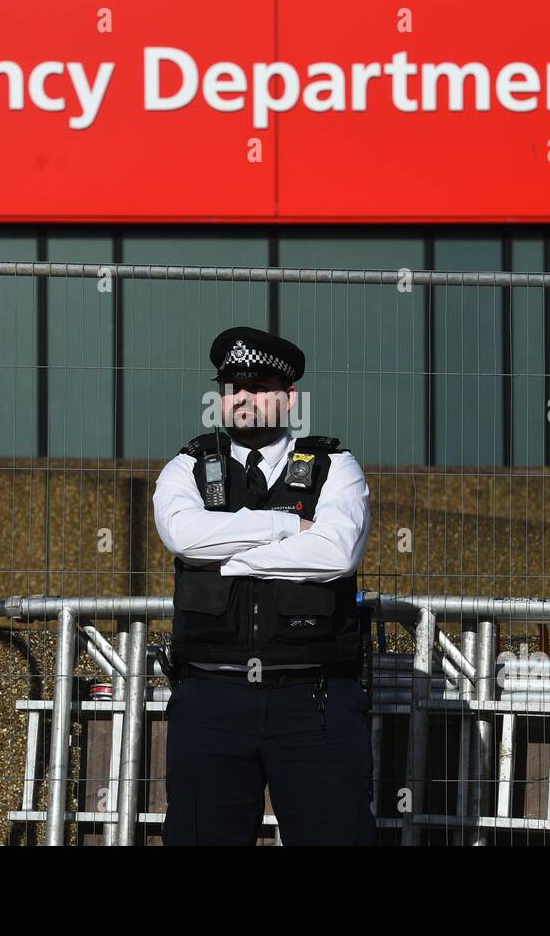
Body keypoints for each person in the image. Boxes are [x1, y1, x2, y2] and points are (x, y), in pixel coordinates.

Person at [152, 325, 375, 845]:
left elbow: (336, 553)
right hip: (210, 697)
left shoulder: (334, 467)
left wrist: (226, 557)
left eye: (259, 384)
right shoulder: (188, 467)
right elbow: (185, 537)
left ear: (289, 396)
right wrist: (282, 526)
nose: (243, 397)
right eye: (232, 386)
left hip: (315, 700)